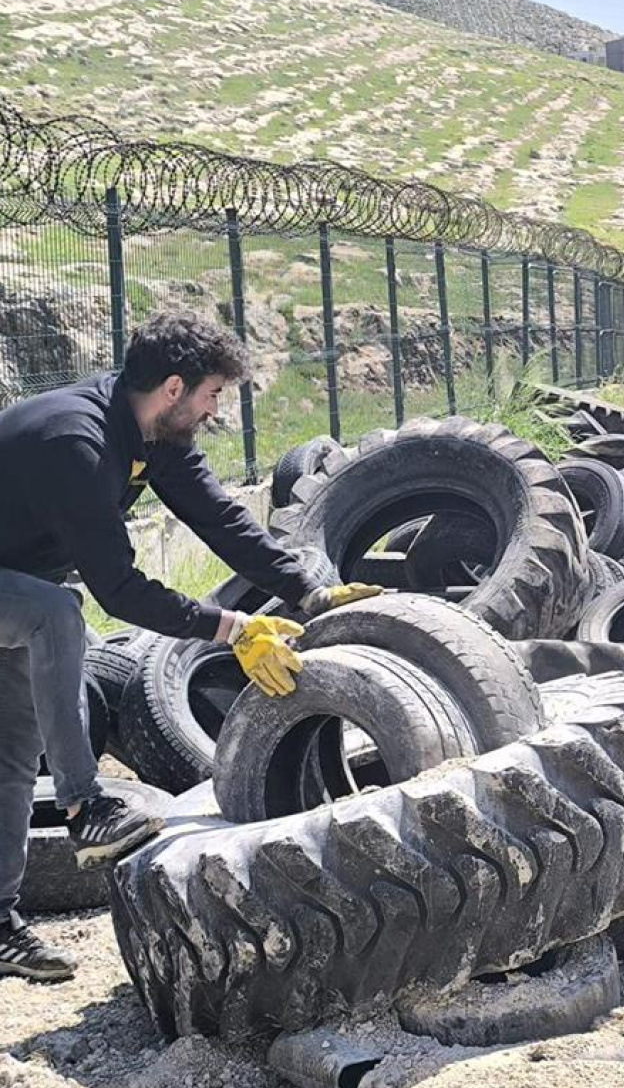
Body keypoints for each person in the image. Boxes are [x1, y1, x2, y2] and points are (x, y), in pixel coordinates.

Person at [0, 312, 380, 982]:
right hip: (25, 594)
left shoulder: (151, 432)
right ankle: (87, 805)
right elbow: (116, 588)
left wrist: (309, 590)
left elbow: (220, 517)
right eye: (212, 395)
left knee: (9, 757)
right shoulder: (76, 441)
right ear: (175, 387)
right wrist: (231, 630)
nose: (215, 411)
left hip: (16, 585)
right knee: (59, 615)